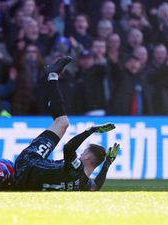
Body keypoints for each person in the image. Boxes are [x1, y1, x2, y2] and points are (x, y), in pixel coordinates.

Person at [14, 56, 120, 191]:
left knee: (62, 122)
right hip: (24, 185)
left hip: (27, 164)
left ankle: (52, 76)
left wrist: (90, 131)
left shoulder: (77, 168)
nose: (81, 154)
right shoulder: (85, 185)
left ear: (87, 157)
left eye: (84, 152)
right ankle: (52, 76)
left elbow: (68, 149)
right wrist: (107, 164)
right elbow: (96, 186)